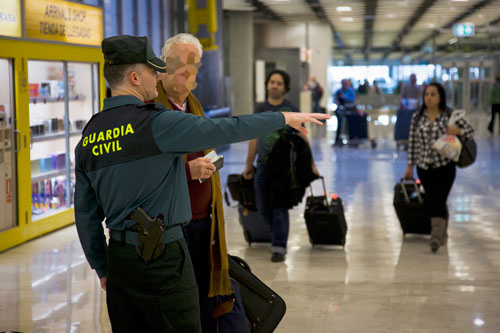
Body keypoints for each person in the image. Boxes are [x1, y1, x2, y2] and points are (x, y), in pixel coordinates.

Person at [74, 35, 329, 332]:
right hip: (164, 257)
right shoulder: (155, 122)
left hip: (119, 261)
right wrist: (283, 117)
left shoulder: (89, 135)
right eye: (152, 71)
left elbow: (85, 214)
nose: (157, 77)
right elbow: (226, 128)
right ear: (133, 77)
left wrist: (102, 266)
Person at [152, 33, 243, 332]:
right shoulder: (150, 109)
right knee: (177, 303)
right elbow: (142, 166)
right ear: (163, 65)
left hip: (205, 222)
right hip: (171, 226)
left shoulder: (194, 105)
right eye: (178, 64)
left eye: (192, 66)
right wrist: (185, 171)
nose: (185, 72)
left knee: (205, 300)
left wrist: (211, 162)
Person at [242, 69, 320, 263]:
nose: (274, 86)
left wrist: (312, 164)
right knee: (262, 206)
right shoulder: (260, 109)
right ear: (267, 85)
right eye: (272, 82)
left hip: (284, 170)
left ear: (285, 88)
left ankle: (279, 246)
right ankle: (276, 234)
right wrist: (248, 164)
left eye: (278, 83)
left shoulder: (290, 109)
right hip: (263, 165)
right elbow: (253, 137)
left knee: (280, 208)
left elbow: (303, 137)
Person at [403, 82, 474, 253]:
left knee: (438, 199)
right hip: (424, 167)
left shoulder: (449, 116)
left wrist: (457, 131)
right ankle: (442, 231)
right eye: (427, 94)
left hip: (445, 167)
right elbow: (412, 143)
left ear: (440, 97)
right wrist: (410, 167)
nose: (429, 98)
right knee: (433, 200)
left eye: (433, 94)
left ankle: (435, 237)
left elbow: (470, 132)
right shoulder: (417, 118)